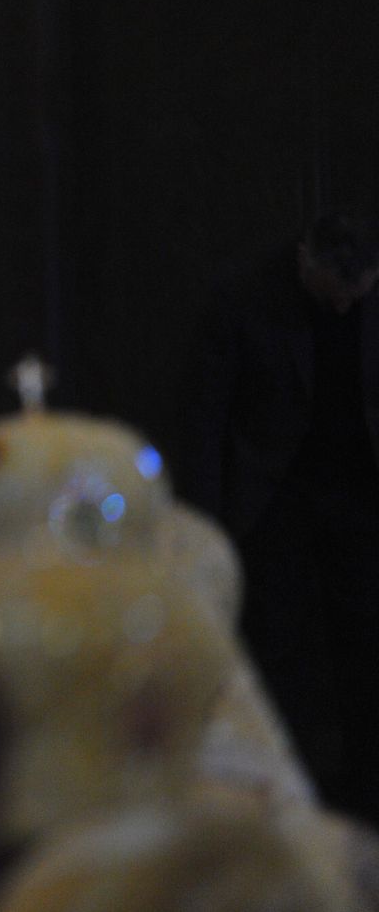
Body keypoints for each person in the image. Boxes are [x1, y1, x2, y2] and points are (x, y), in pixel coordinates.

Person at [180, 208, 379, 824]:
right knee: (280, 652)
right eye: (333, 290)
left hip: (362, 494)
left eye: (359, 290)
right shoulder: (243, 296)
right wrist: (205, 524)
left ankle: (368, 789)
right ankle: (286, 792)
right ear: (305, 261)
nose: (345, 305)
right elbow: (206, 420)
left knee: (368, 649)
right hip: (274, 498)